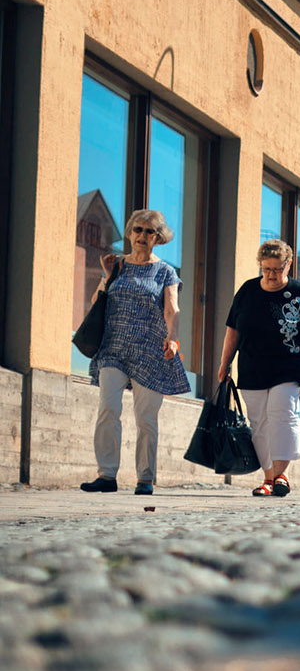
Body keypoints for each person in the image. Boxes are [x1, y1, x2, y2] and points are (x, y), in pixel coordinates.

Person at [81, 209, 192, 496]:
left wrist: (173, 339)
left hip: (150, 351)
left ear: (159, 237)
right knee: (108, 409)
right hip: (113, 349)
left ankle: (145, 478)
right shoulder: (116, 266)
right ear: (130, 233)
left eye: (150, 231)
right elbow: (96, 301)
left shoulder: (166, 271)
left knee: (146, 418)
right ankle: (106, 475)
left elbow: (172, 308)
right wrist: (107, 277)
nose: (143, 236)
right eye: (138, 230)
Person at [217, 239, 300, 497]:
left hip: (289, 367)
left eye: (277, 269)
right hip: (252, 366)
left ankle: (281, 475)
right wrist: (225, 363)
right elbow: (232, 330)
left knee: (283, 414)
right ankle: (268, 478)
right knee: (259, 422)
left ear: (289, 265)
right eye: (266, 269)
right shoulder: (247, 291)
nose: (271, 275)